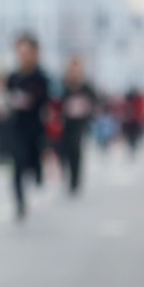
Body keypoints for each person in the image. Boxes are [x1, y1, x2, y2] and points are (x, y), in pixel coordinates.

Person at [5, 34, 49, 220]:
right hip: (17, 127)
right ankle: (20, 202)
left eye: (27, 52)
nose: (23, 57)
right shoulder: (13, 77)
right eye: (20, 52)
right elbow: (6, 98)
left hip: (36, 128)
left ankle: (39, 172)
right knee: (17, 163)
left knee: (34, 162)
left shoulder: (41, 78)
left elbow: (46, 102)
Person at [58, 57, 96, 195]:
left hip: (79, 124)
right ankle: (66, 175)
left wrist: (88, 110)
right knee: (64, 151)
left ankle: (75, 180)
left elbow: (94, 103)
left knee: (76, 150)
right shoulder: (63, 86)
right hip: (64, 124)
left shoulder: (86, 87)